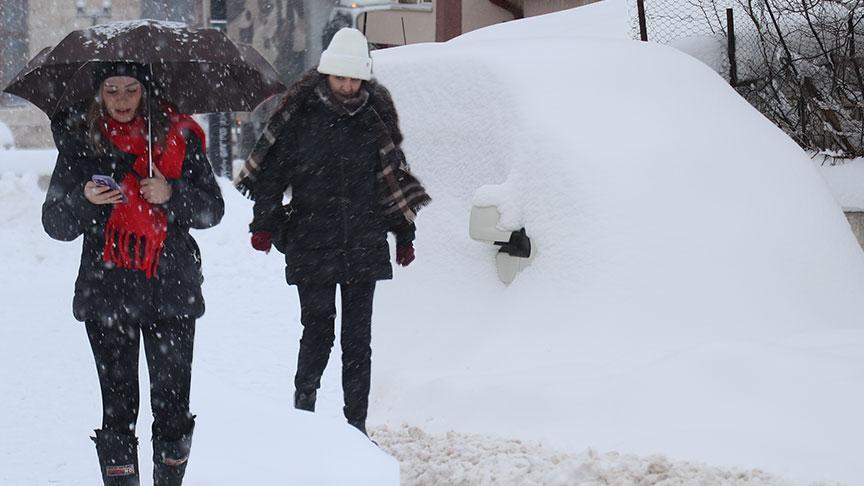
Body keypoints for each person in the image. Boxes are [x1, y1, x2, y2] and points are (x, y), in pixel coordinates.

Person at [234, 28, 430, 436]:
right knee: (318, 329)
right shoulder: (300, 116)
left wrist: (404, 235)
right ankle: (304, 412)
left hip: (364, 241)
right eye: (340, 77)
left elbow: (390, 181)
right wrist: (263, 224)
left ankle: (355, 425)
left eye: (354, 79)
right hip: (312, 240)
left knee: (358, 341)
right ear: (326, 75)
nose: (346, 86)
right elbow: (271, 174)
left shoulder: (374, 120)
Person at [42, 62, 224, 486]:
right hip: (108, 294)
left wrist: (171, 193)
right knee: (118, 411)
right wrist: (85, 200)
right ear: (98, 95)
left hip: (171, 291)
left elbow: (212, 209)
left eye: (130, 89)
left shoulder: (178, 137)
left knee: (173, 409)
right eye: (112, 90)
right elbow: (55, 223)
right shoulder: (80, 145)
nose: (122, 100)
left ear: (146, 91)